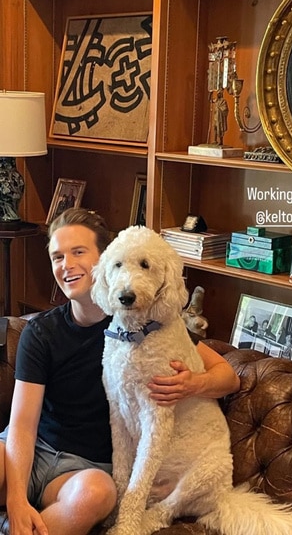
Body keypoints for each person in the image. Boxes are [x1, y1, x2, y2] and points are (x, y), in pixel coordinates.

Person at [0, 207, 240, 535]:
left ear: (105, 259)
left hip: (84, 471)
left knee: (96, 495)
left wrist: (192, 384)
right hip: (35, 448)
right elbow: (22, 427)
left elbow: (228, 375)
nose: (66, 265)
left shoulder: (152, 327)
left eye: (78, 252)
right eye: (57, 256)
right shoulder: (41, 332)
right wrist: (16, 499)